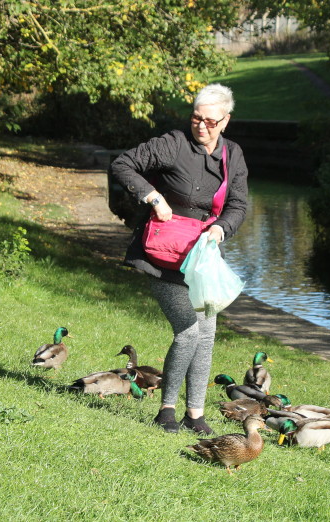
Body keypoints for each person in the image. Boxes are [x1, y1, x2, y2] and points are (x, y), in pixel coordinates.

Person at [109, 84, 248, 434]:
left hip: (203, 259)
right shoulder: (173, 143)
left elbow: (238, 205)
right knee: (188, 332)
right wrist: (153, 196)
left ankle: (195, 415)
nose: (202, 126)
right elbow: (123, 164)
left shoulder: (233, 155)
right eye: (196, 118)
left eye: (210, 121)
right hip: (162, 256)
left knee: (206, 334)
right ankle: (166, 411)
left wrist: (221, 230)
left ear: (225, 121)